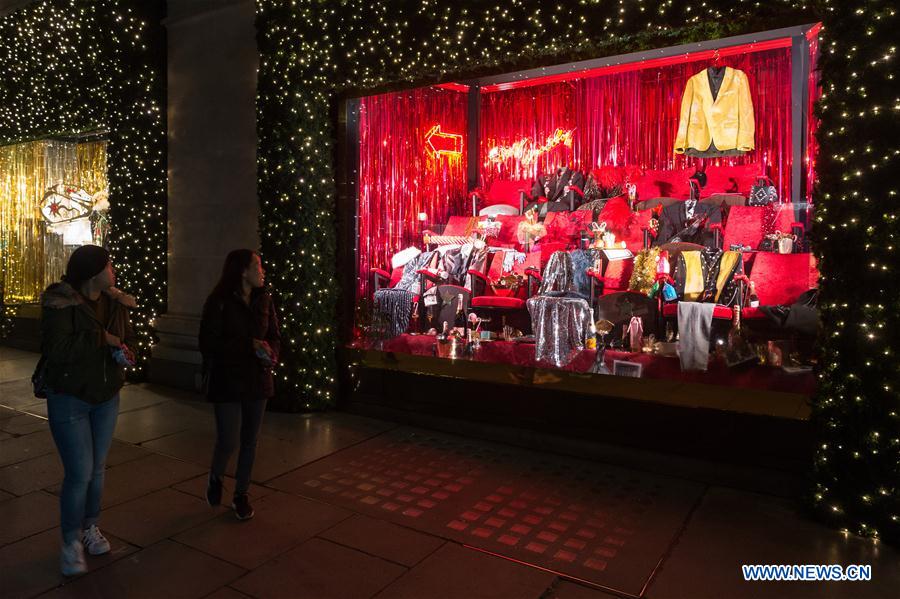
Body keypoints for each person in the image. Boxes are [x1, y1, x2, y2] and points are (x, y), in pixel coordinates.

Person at [40, 245, 137, 576]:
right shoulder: (61, 303)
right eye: (108, 264)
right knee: (79, 473)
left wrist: (124, 352)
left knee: (97, 468)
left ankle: (90, 527)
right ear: (94, 272)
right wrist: (102, 338)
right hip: (70, 397)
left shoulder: (114, 301)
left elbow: (127, 337)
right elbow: (57, 350)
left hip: (106, 396)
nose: (113, 270)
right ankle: (70, 542)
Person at [198, 249, 280, 521]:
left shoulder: (264, 299)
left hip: (258, 378)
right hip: (227, 380)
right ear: (242, 271)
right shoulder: (219, 301)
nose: (263, 270)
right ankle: (216, 477)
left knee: (249, 441)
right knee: (228, 439)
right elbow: (208, 344)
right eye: (258, 265)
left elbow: (274, 335)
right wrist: (248, 345)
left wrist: (271, 352)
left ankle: (241, 494)